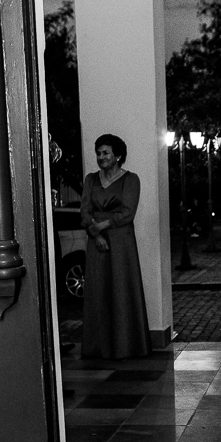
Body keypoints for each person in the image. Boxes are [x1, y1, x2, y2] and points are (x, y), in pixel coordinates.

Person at [80, 134, 150, 359]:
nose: (101, 157)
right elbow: (84, 211)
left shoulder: (131, 179)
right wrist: (95, 233)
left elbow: (128, 212)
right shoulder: (90, 179)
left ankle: (127, 345)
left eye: (106, 153)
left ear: (118, 155)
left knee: (121, 288)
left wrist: (101, 227)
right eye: (98, 153)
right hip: (96, 242)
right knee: (98, 290)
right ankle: (99, 347)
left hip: (121, 243)